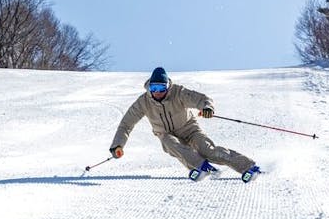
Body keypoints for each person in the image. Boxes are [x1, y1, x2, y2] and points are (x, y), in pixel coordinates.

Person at [109, 67, 261, 182]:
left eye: (161, 88)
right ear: (149, 88)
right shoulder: (143, 102)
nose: (157, 92)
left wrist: (207, 107)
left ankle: (249, 167)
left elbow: (200, 99)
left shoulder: (178, 92)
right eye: (153, 88)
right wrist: (118, 145)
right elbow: (126, 124)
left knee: (210, 151)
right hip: (166, 133)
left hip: (189, 129)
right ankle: (201, 167)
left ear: (167, 86)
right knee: (170, 143)